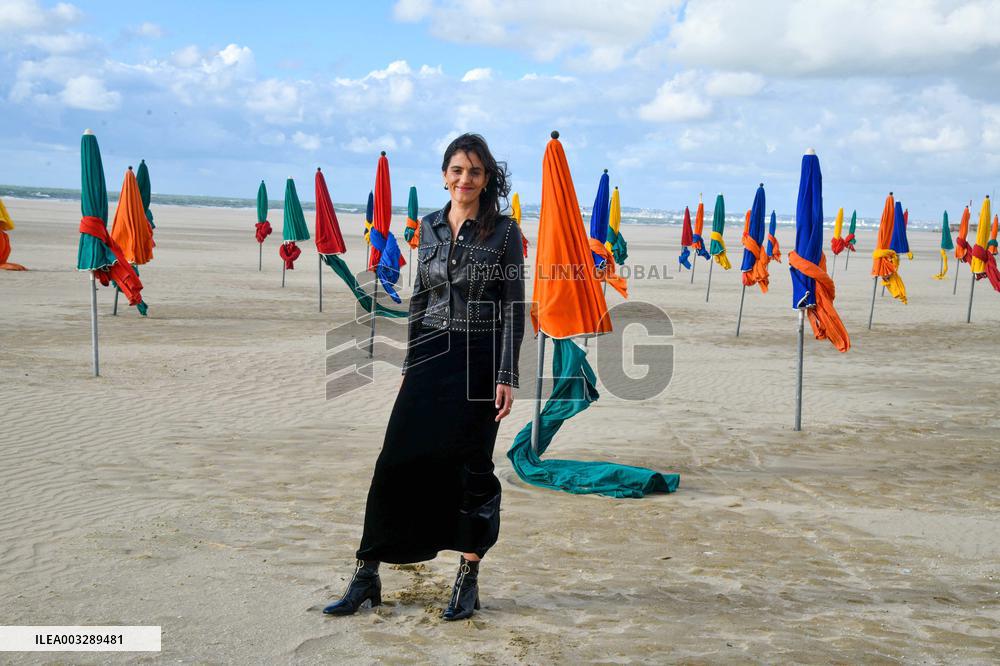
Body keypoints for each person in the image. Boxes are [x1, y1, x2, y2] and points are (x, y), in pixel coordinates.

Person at [323, 133, 525, 621]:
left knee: (472, 468)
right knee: (394, 461)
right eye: (457, 170)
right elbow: (420, 298)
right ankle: (367, 574)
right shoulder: (430, 227)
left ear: (486, 179)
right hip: (430, 353)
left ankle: (468, 578)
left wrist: (505, 374)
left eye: (475, 172)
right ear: (444, 175)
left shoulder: (504, 231)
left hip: (479, 357)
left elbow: (513, 308)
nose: (465, 179)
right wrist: (410, 362)